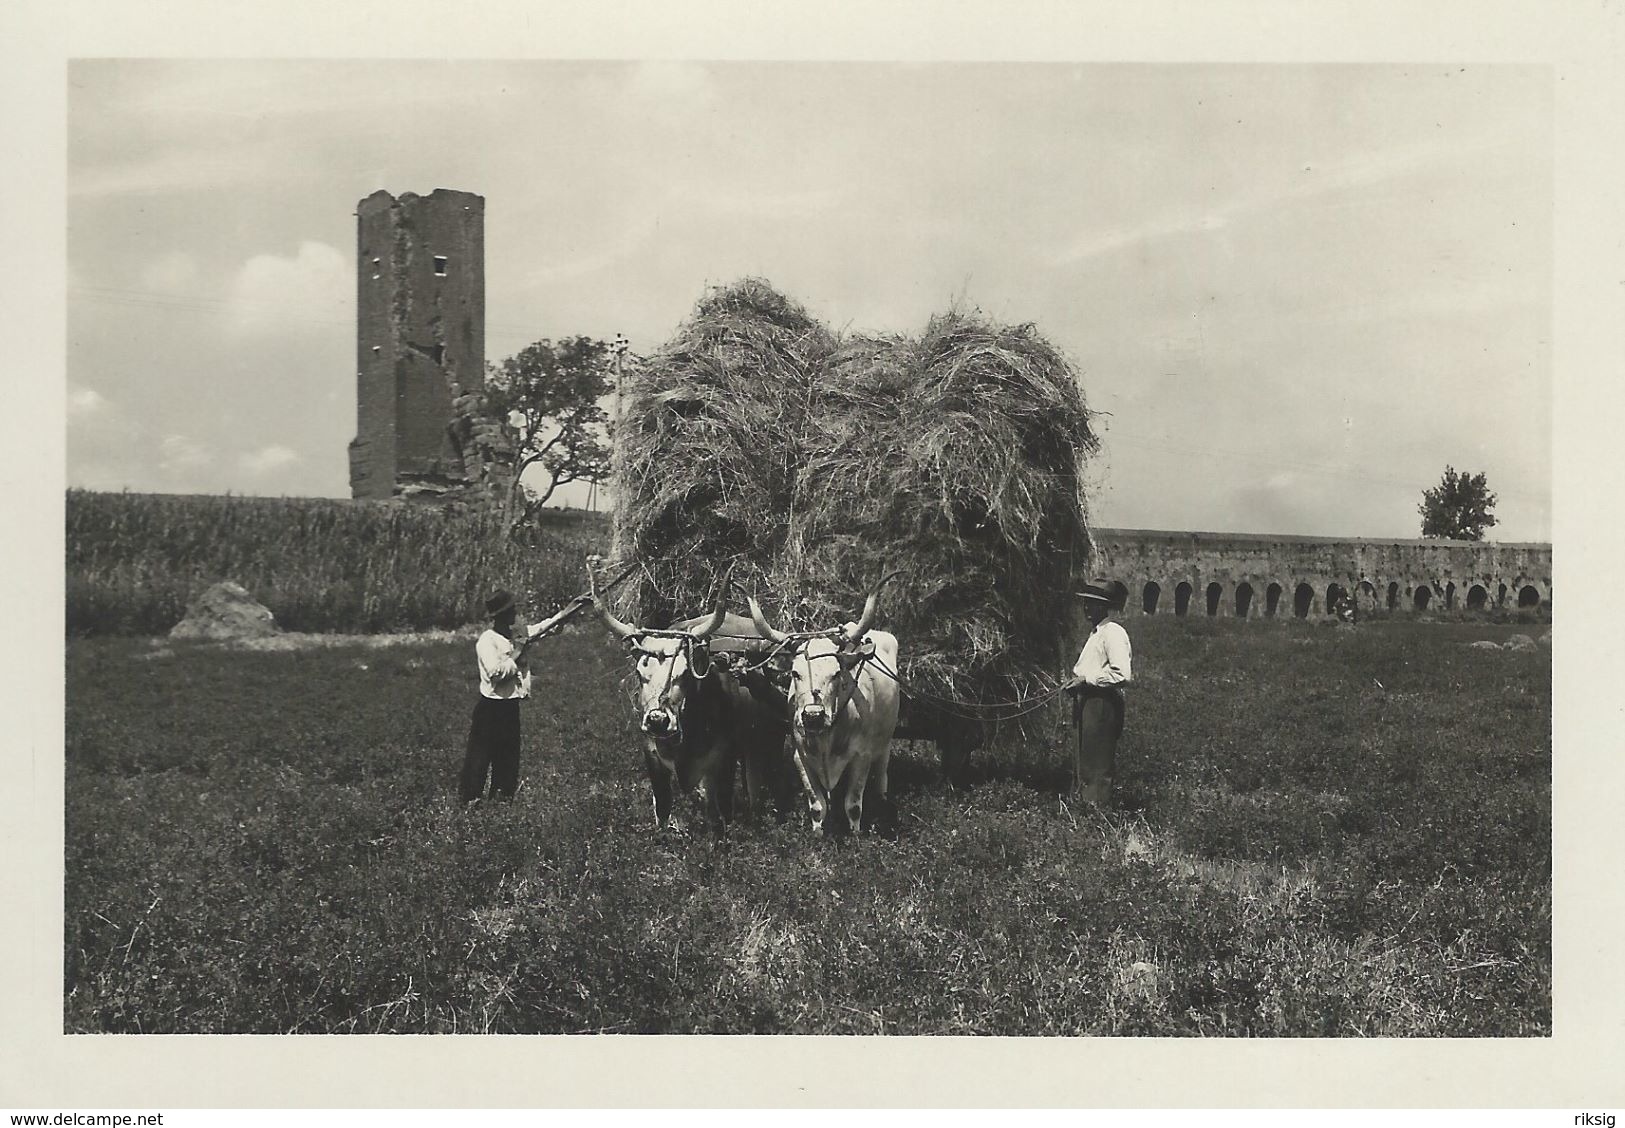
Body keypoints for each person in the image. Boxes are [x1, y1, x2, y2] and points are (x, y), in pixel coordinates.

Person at [459, 588, 575, 805]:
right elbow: (496, 674)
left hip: (510, 706)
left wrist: (570, 609)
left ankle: (502, 799)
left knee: (508, 755)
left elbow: (546, 627)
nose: (515, 613)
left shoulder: (517, 634)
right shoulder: (487, 641)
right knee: (479, 756)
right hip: (490, 708)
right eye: (511, 610)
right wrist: (518, 651)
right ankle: (470, 800)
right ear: (501, 615)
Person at [1063, 581, 1133, 805]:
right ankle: (1086, 811)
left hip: (1102, 704)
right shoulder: (1097, 633)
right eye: (1085, 602)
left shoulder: (1112, 632)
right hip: (1089, 701)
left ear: (1104, 607)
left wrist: (1087, 679)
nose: (1086, 608)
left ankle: (1096, 816)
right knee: (1085, 759)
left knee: (1097, 764)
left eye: (1092, 603)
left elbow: (1122, 674)